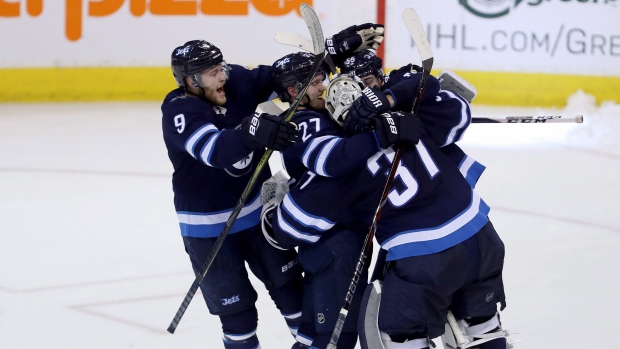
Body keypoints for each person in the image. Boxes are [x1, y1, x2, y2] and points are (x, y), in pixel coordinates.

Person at [263, 80, 511, 348]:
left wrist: (273, 207)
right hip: (483, 238)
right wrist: (395, 96)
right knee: (482, 325)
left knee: (399, 338)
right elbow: (456, 108)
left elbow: (289, 229)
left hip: (423, 260)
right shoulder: (409, 117)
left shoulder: (343, 162)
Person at [161, 39, 305, 349]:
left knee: (292, 292)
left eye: (221, 67)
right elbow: (215, 151)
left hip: (257, 215)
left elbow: (278, 77)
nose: (222, 76)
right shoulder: (179, 111)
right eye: (212, 72)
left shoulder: (234, 80)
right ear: (191, 81)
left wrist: (330, 53)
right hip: (208, 229)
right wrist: (253, 130)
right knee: (238, 317)